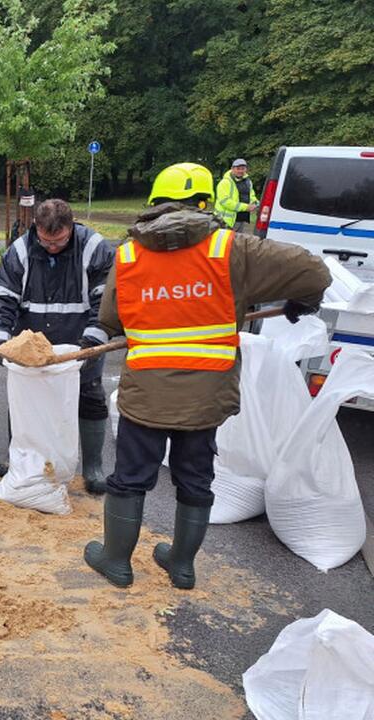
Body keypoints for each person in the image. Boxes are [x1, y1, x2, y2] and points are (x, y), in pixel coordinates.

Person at [83, 163, 330, 591]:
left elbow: (111, 319)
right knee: (195, 478)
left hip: (148, 392)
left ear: (154, 204)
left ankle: (117, 561)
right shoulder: (230, 249)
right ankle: (181, 565)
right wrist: (301, 302)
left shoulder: (127, 255)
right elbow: (315, 273)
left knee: (130, 477)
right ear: (205, 204)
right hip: (206, 394)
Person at [0, 199, 115, 492]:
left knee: (90, 396)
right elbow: (2, 298)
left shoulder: (94, 248)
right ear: (36, 230)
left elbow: (105, 302)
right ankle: (19, 458)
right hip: (32, 340)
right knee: (24, 398)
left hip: (80, 342)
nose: (52, 247)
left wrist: (92, 343)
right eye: (45, 241)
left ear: (71, 227)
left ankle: (93, 467)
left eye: (59, 241)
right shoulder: (20, 251)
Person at [214, 158, 259, 232]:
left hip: (241, 219)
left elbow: (251, 195)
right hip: (225, 221)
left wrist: (255, 203)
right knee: (225, 242)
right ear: (232, 169)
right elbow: (225, 201)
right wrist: (245, 207)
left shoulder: (248, 181)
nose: (240, 171)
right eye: (238, 169)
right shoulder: (225, 182)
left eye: (243, 169)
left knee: (237, 242)